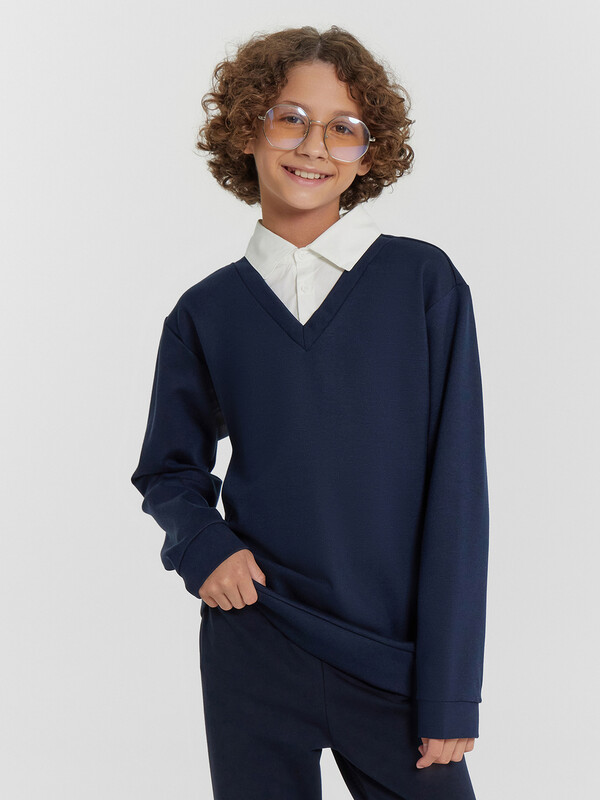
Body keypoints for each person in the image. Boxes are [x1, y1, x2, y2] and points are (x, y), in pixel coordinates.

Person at [131, 24, 489, 800]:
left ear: (369, 152)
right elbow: (167, 469)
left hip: (393, 661)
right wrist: (204, 547)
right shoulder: (206, 312)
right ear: (247, 129)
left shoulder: (423, 284)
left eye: (342, 128)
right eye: (290, 118)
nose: (314, 146)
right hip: (254, 643)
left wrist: (452, 691)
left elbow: (459, 498)